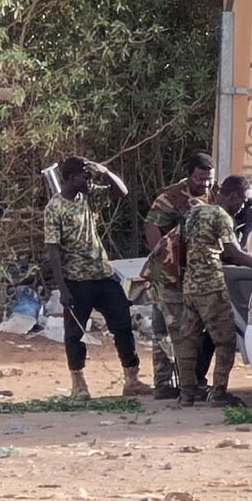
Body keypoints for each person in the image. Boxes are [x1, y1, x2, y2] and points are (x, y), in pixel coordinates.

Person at [44, 157, 152, 400]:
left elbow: (121, 191)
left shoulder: (88, 196)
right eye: (84, 176)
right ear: (71, 179)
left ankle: (131, 378)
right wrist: (62, 288)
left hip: (102, 273)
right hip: (76, 279)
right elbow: (53, 250)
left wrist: (104, 171)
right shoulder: (55, 208)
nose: (88, 180)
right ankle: (78, 384)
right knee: (75, 333)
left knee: (123, 324)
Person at [176, 175, 252, 407]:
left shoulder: (195, 212)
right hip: (211, 286)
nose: (243, 206)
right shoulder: (222, 217)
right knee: (224, 341)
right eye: (243, 201)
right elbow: (236, 254)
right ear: (234, 196)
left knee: (188, 341)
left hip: (190, 285)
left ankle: (186, 394)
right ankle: (219, 392)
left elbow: (183, 246)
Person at [143, 153, 217, 400]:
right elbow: (151, 225)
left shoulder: (214, 194)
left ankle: (175, 382)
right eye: (199, 179)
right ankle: (168, 383)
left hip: (190, 271)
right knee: (170, 328)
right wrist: (163, 254)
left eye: (208, 179)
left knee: (174, 327)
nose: (204, 184)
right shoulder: (172, 197)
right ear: (189, 175)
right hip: (167, 272)